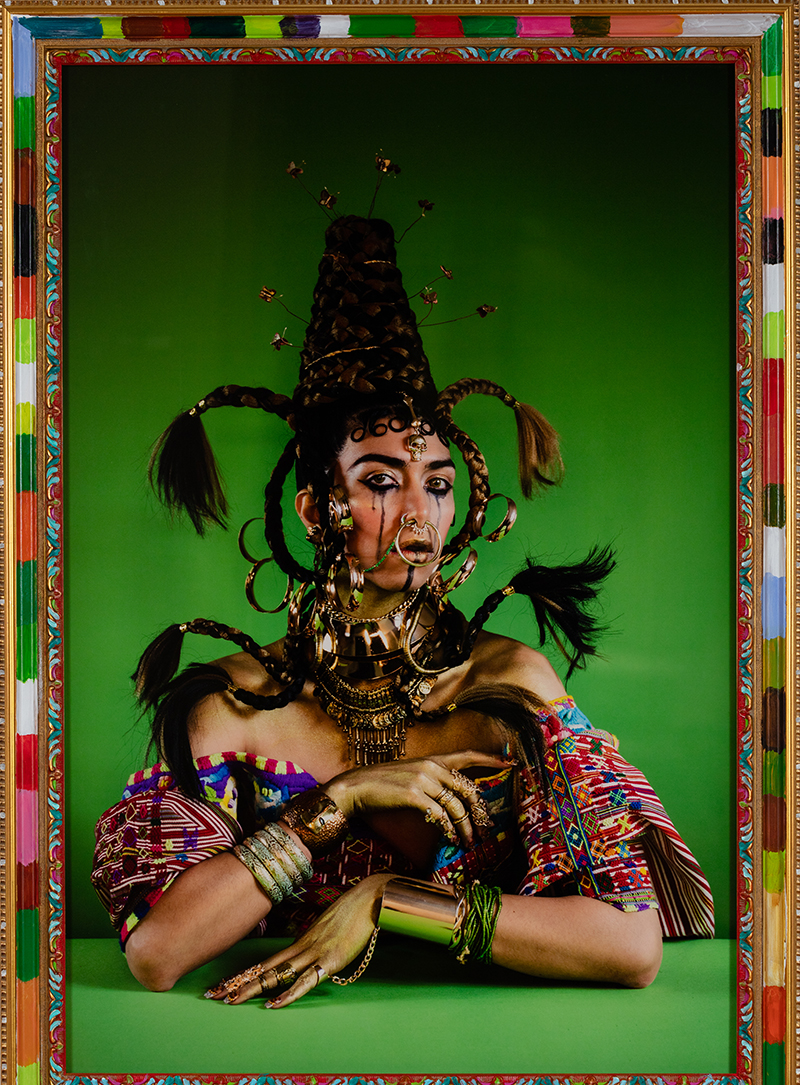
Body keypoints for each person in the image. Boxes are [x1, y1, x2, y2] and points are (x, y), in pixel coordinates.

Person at [92, 208, 713, 1009]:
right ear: (318, 510)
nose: (419, 513)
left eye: (439, 484)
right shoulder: (235, 703)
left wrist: (393, 899)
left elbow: (630, 945)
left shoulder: (505, 686)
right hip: (271, 1054)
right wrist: (341, 799)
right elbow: (160, 954)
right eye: (383, 481)